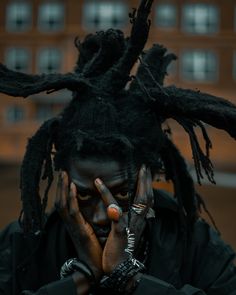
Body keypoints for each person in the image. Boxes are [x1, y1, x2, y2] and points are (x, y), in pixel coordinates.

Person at [0, 0, 236, 294]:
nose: (102, 215)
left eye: (122, 192)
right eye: (83, 194)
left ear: (146, 180)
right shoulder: (22, 245)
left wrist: (129, 278)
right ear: (62, 180)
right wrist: (78, 281)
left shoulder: (196, 246)